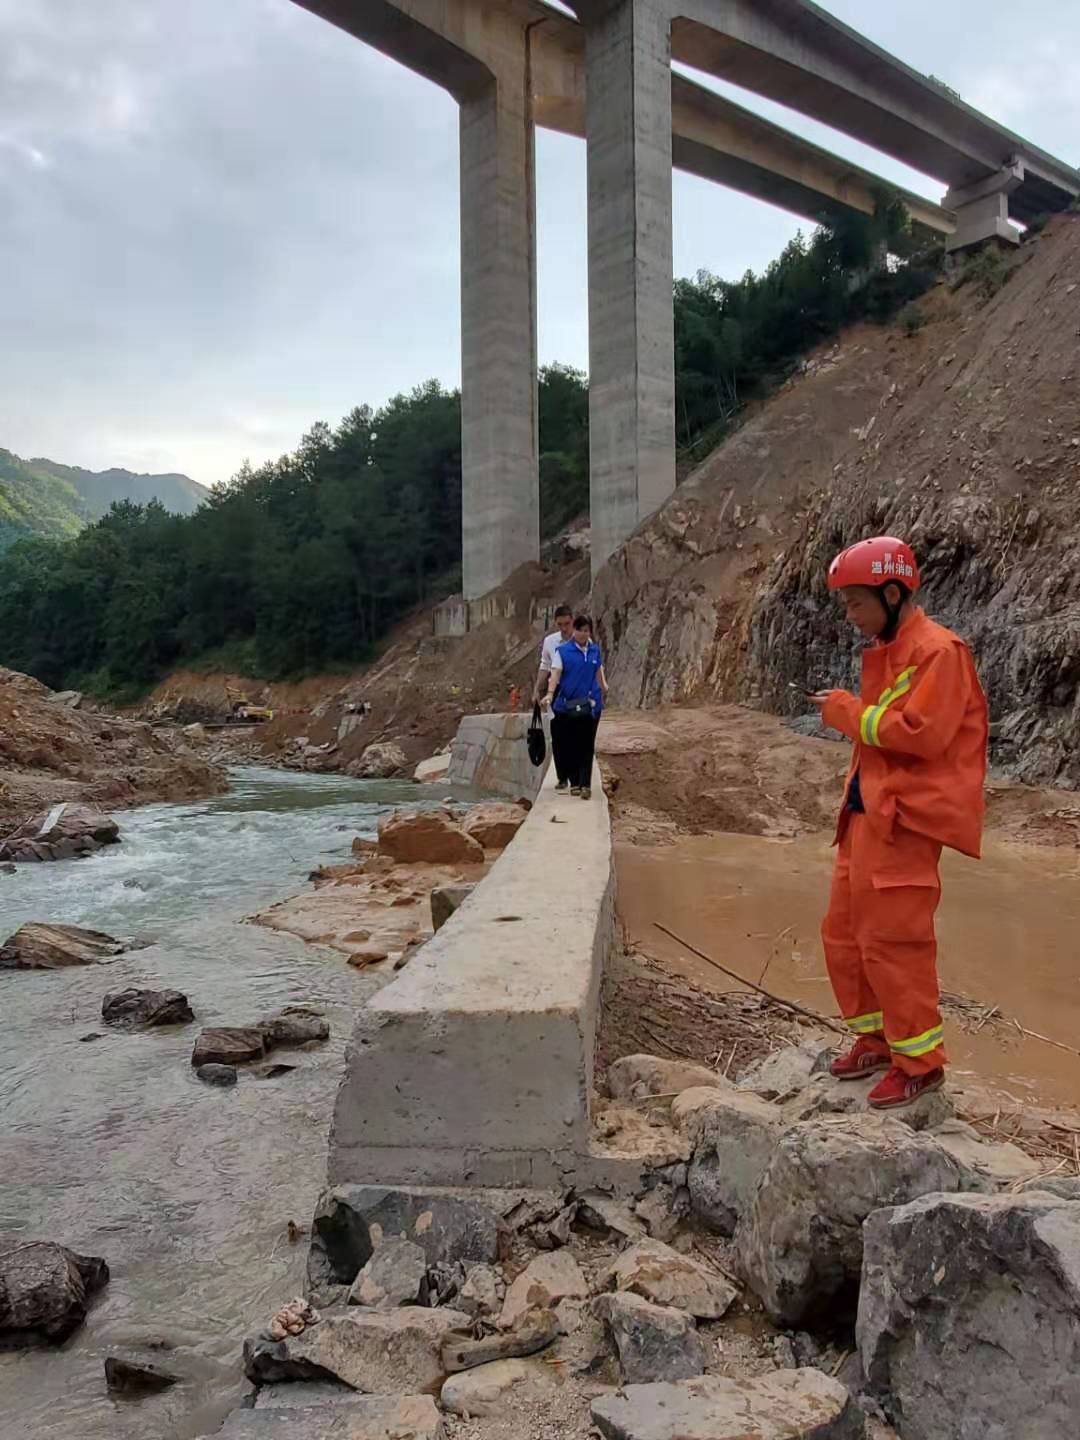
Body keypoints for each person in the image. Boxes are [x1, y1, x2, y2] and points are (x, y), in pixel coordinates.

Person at [809, 535, 987, 1111]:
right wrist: (854, 716)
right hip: (868, 817)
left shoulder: (940, 652)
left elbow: (921, 735)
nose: (850, 616)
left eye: (856, 604)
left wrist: (847, 713)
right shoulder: (892, 648)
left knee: (896, 943)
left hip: (905, 823)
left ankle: (920, 1064)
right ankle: (878, 1038)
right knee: (844, 934)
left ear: (891, 591)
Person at [543, 615, 607, 799]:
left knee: (587, 744)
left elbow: (598, 670)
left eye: (586, 630)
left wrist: (603, 687)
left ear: (590, 632)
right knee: (571, 744)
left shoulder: (594, 650)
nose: (582, 634)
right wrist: (549, 693)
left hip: (592, 704)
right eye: (579, 630)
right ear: (575, 631)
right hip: (570, 705)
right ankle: (575, 782)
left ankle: (585, 784)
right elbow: (555, 673)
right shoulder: (563, 651)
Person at [535, 604, 576, 790]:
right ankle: (562, 777)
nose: (564, 628)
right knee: (558, 735)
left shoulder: (582, 640)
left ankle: (576, 777)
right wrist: (538, 689)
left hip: (577, 690)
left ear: (572, 620)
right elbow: (545, 666)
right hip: (557, 690)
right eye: (560, 625)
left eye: (567, 624)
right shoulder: (550, 641)